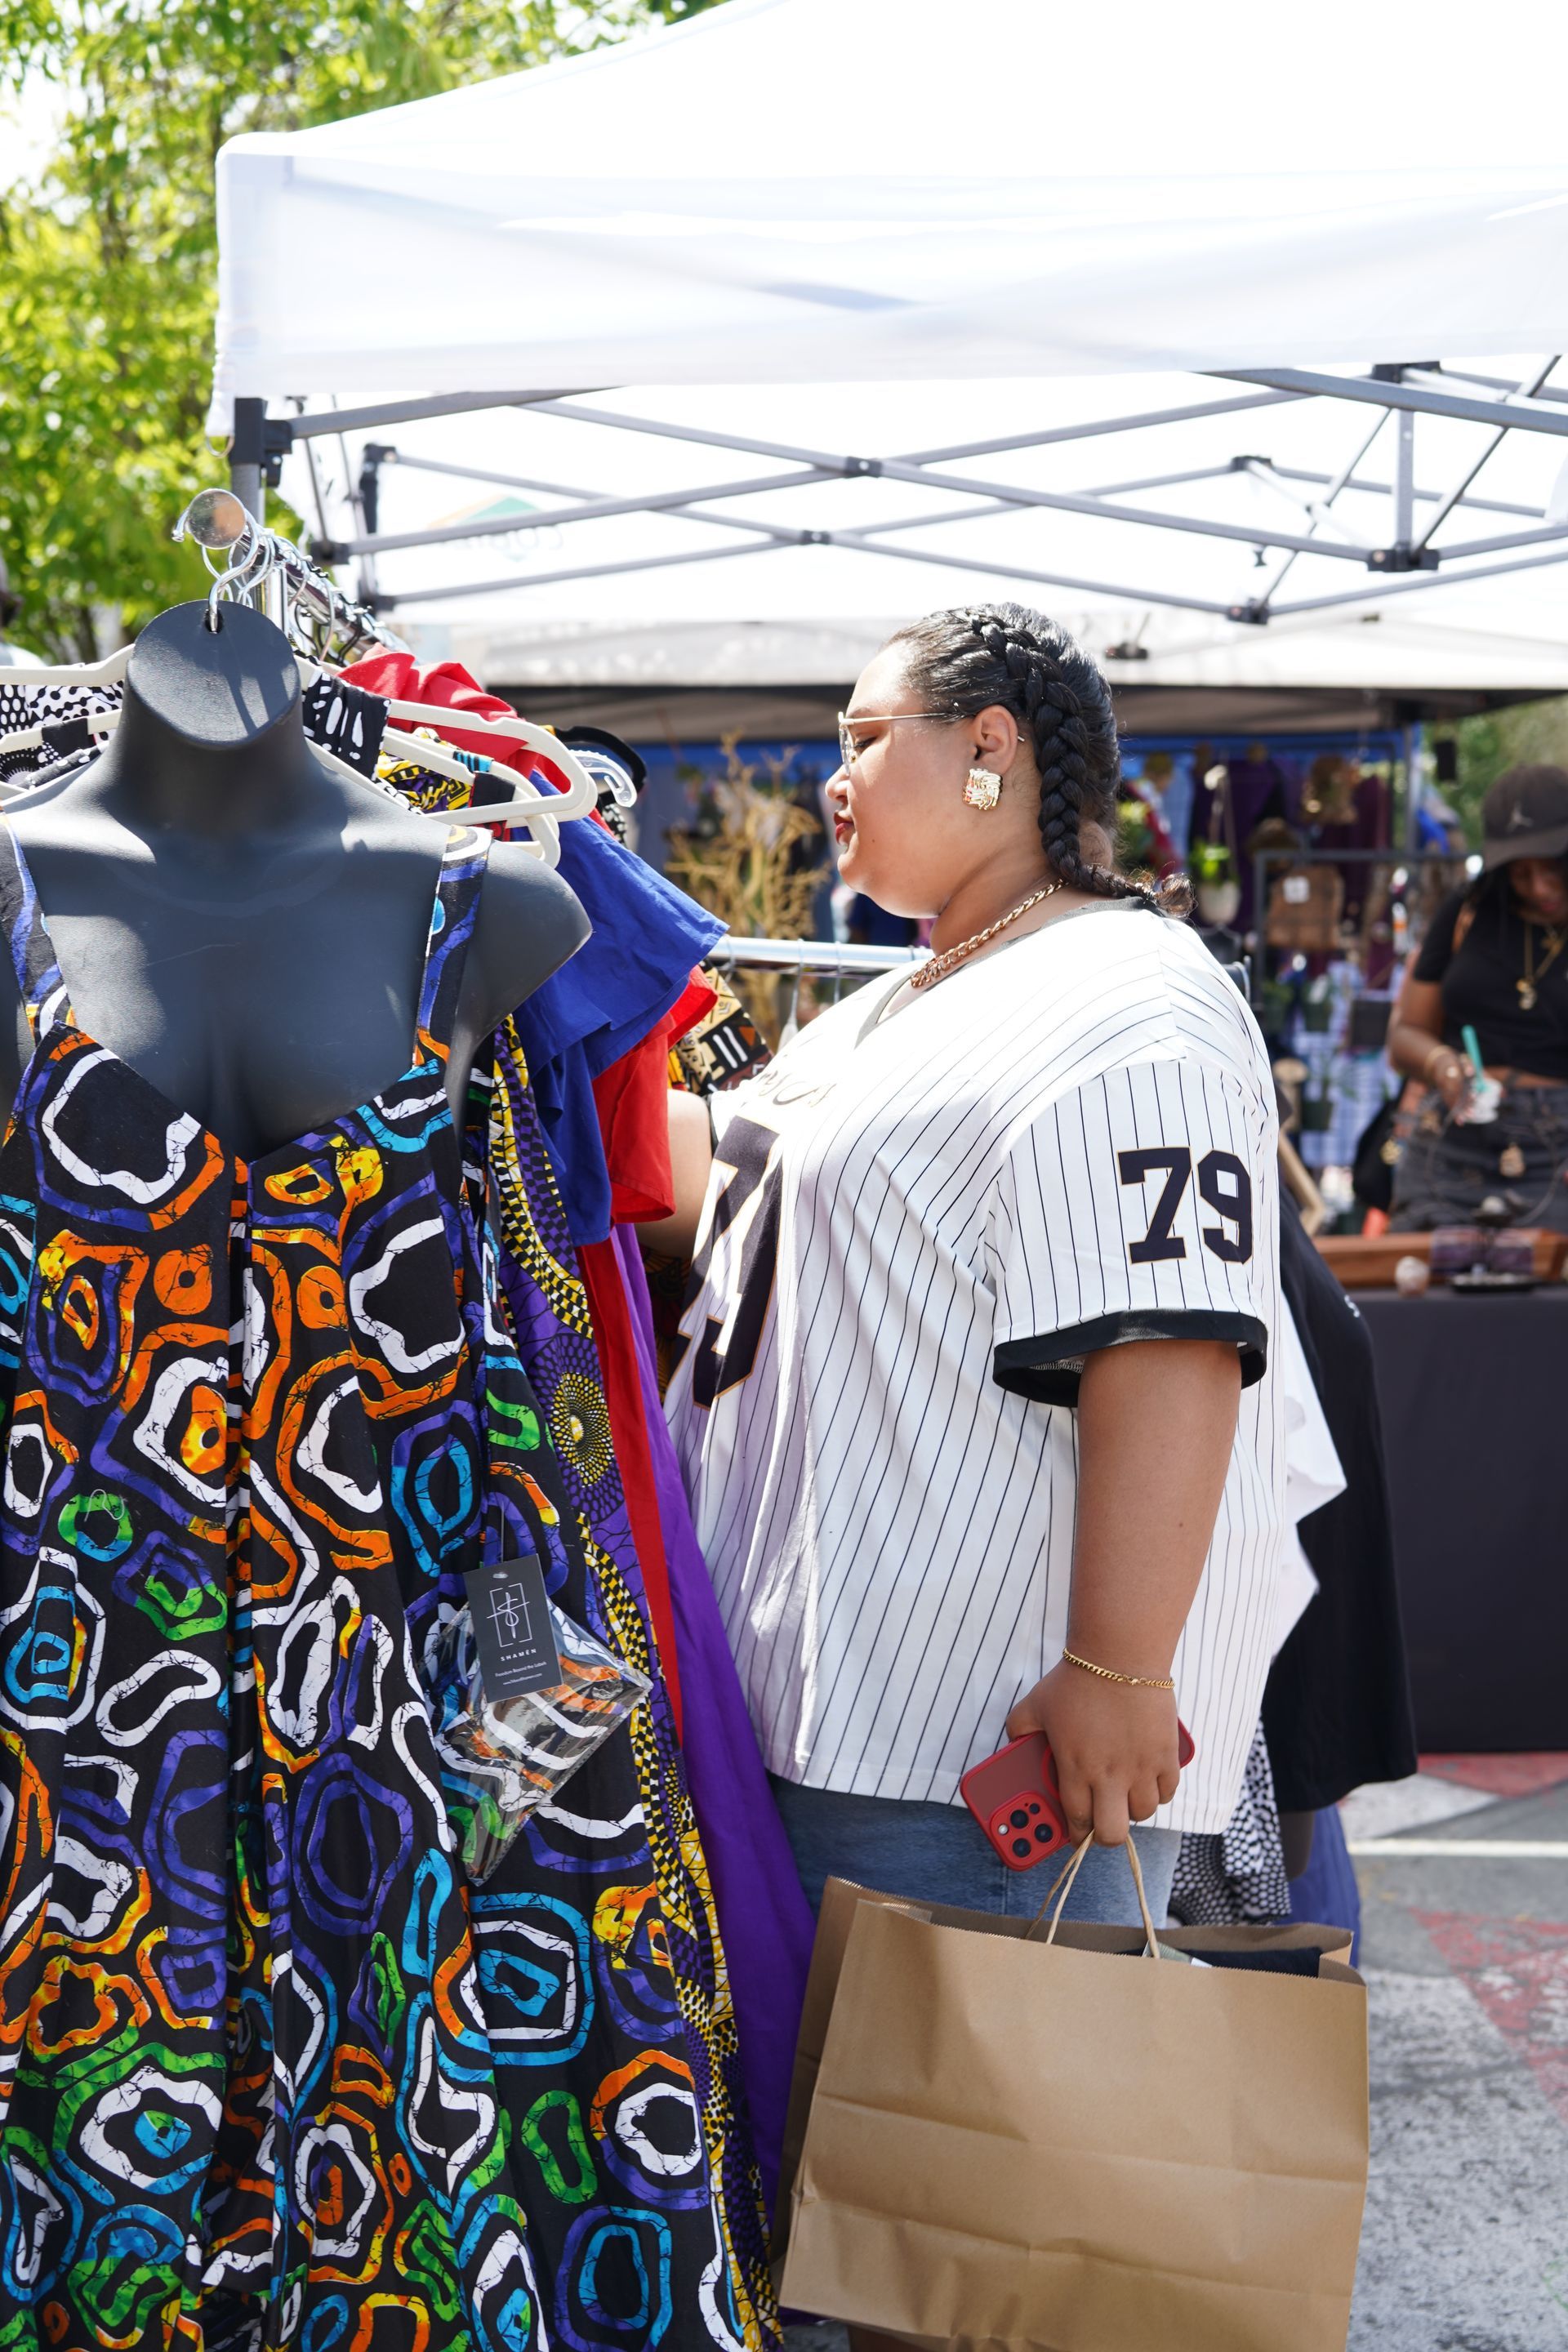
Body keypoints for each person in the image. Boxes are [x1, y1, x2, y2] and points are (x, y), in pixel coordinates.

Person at [652, 603, 1290, 1933]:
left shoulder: (1133, 996)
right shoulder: (905, 998)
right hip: (801, 1710)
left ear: (990, 747)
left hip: (971, 1759)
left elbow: (1168, 1340)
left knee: (950, 2139)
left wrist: (1116, 1673)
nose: (833, 779)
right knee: (829, 2139)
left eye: (867, 739)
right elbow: (733, 1188)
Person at [1386, 764, 1568, 1232]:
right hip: (1452, 1136)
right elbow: (1407, 1035)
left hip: (1560, 1149)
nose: (1539, 888)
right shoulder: (1468, 910)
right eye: (1520, 872)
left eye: (1552, 867)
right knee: (1419, 1291)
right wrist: (1443, 1064)